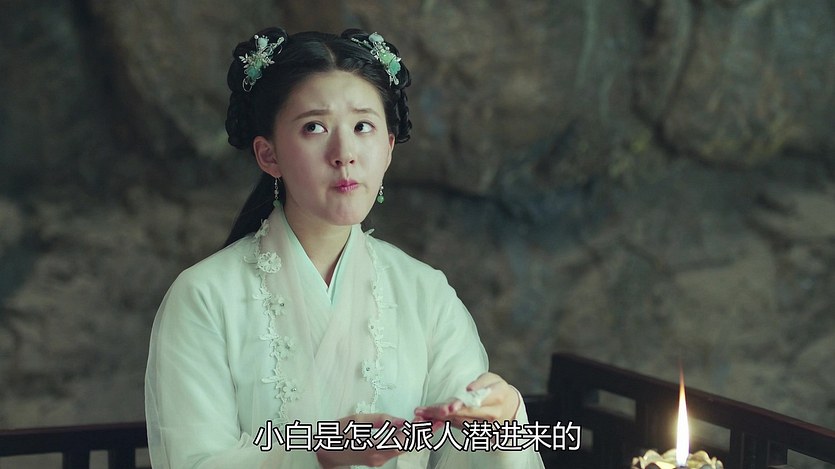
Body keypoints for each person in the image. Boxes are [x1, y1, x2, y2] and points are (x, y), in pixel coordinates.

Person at [145, 26, 546, 469]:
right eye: (314, 127)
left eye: (362, 126)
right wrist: (320, 454)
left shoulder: (425, 293)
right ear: (268, 155)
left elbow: (465, 447)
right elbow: (195, 462)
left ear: (388, 148)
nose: (344, 152)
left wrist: (502, 419)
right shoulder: (204, 295)